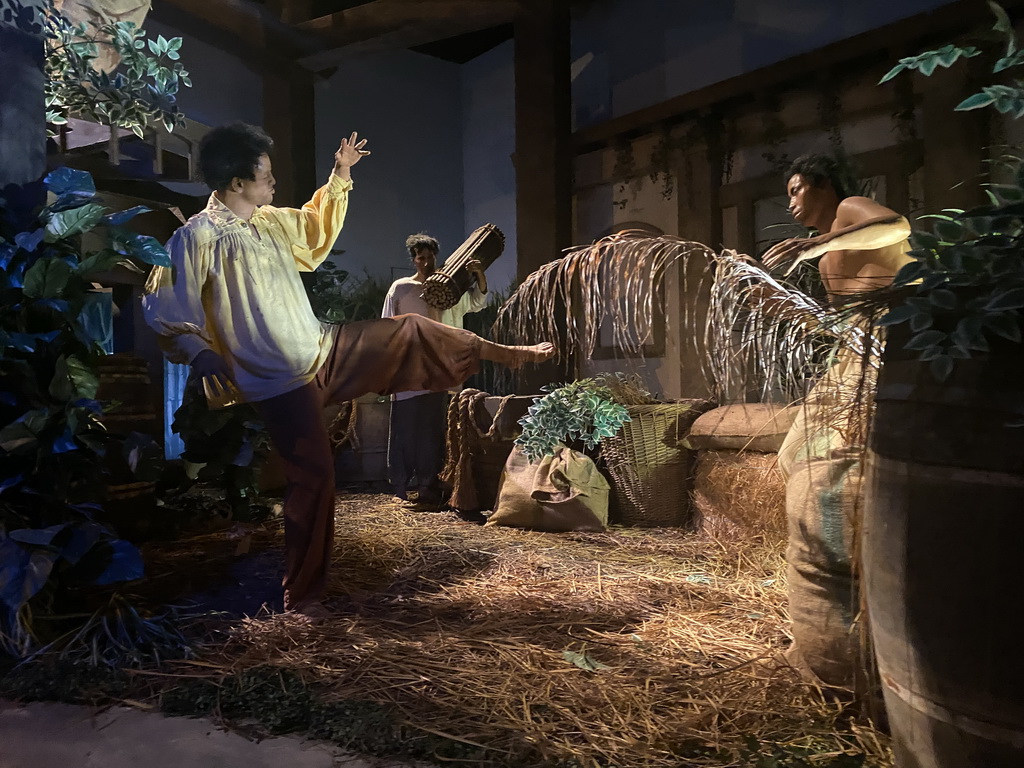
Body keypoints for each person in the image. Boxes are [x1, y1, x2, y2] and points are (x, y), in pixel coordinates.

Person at [142, 122, 553, 617]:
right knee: (314, 478)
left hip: (324, 346)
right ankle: (304, 595)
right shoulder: (198, 237)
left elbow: (314, 230)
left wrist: (340, 174)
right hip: (278, 376)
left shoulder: (269, 222)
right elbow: (168, 301)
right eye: (265, 175)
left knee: (407, 328)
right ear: (236, 183)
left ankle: (500, 352)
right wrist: (199, 349)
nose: (273, 184)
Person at [756, 153, 913, 689]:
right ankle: (826, 616)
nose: (792, 201)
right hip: (853, 355)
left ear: (824, 185)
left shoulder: (849, 210)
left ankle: (871, 620)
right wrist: (784, 310)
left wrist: (816, 246)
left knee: (841, 474)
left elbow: (895, 226)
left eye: (798, 189)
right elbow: (838, 322)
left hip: (890, 349)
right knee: (791, 456)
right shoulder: (825, 251)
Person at [381, 234, 489, 504]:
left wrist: (480, 275)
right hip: (409, 369)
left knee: (432, 429)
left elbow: (476, 303)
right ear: (413, 260)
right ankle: (401, 486)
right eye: (420, 257)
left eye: (430, 257)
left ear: (435, 258)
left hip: (441, 369)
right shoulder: (401, 288)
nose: (426, 262)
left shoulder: (449, 289)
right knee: (405, 427)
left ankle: (428, 484)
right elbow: (387, 326)